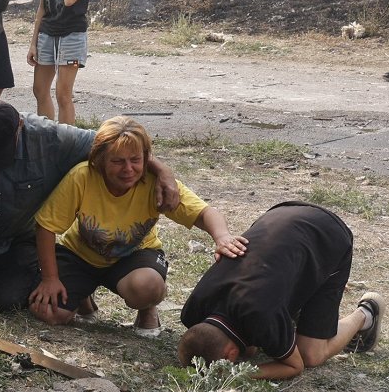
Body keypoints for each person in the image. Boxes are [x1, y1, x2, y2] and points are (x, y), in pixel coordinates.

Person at [0, 101, 181, 312]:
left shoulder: (52, 137)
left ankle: (74, 289)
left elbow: (112, 144)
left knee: (12, 302)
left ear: (19, 126)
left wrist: (160, 170)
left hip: (20, 239)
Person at [29, 117, 246, 335]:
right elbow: (46, 226)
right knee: (48, 311)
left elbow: (205, 211)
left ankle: (147, 309)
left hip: (135, 255)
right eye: (117, 161)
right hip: (81, 255)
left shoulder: (156, 182)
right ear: (100, 160)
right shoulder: (82, 176)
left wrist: (222, 237)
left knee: (148, 287)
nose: (128, 169)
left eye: (135, 160)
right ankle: (84, 295)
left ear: (146, 159)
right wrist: (50, 278)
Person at [177, 202, 385, 381]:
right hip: (279, 215)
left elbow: (295, 366)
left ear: (231, 354)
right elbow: (248, 345)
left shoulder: (260, 317)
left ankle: (366, 314)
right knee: (260, 338)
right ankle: (296, 315)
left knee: (310, 354)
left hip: (329, 235)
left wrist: (239, 373)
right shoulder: (192, 312)